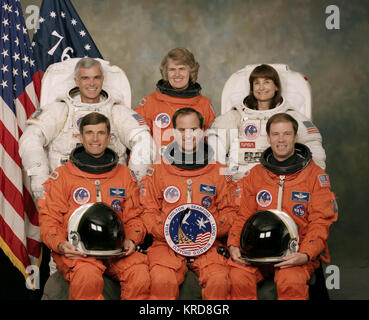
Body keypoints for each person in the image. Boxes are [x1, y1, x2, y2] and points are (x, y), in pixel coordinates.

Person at [38, 112, 150, 300]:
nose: (95, 139)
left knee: (140, 274)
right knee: (87, 277)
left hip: (116, 250)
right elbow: (49, 219)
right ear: (81, 137)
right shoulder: (63, 176)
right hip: (77, 250)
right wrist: (60, 244)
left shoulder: (124, 175)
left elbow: (135, 217)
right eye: (89, 133)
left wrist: (131, 240)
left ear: (109, 137)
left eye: (100, 133)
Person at [227, 113, 338, 300]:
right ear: (268, 137)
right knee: (238, 276)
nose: (281, 140)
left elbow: (320, 222)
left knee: (291, 280)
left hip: (296, 249)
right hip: (257, 250)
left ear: (295, 137)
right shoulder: (255, 175)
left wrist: (305, 253)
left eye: (286, 134)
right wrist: (232, 244)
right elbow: (243, 216)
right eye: (276, 134)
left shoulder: (315, 176)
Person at [19, 57, 155, 201]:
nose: (91, 83)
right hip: (65, 193)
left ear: (103, 79)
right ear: (76, 81)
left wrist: (136, 181)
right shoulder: (59, 110)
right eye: (85, 78)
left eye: (96, 78)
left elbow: (144, 140)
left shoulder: (117, 112)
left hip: (112, 193)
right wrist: (39, 178)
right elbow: (30, 138)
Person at [140, 107, 237, 300]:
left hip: (208, 243)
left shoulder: (219, 171)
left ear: (202, 132)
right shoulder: (157, 171)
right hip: (166, 244)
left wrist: (209, 230)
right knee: (161, 280)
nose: (188, 135)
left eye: (193, 129)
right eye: (182, 130)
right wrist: (169, 232)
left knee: (219, 280)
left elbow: (232, 212)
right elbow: (147, 211)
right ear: (174, 132)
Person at [207, 64, 326, 181]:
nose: (261, 87)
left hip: (279, 182)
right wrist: (224, 180)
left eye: (267, 82)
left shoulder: (291, 116)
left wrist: (311, 181)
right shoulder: (236, 116)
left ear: (277, 87)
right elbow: (215, 154)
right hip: (240, 182)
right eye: (257, 83)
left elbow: (314, 152)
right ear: (252, 88)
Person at [135, 48, 216, 158]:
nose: (177, 74)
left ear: (191, 71)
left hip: (194, 168)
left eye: (182, 69)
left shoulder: (204, 105)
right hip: (158, 169)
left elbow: (214, 146)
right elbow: (137, 143)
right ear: (166, 72)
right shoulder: (150, 103)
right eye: (172, 69)